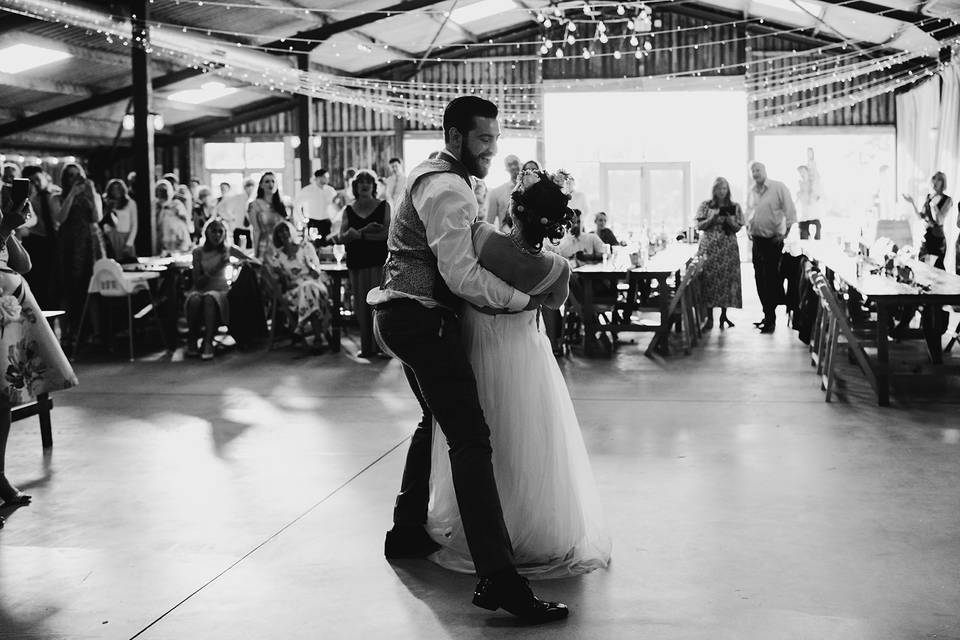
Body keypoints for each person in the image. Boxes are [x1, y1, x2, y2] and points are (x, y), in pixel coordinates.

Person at [368, 96, 568, 623]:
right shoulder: (446, 188)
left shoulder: (444, 178)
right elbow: (462, 277)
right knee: (471, 438)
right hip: (420, 321)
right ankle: (500, 580)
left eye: (495, 139)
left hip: (401, 315)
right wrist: (525, 301)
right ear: (455, 137)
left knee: (434, 417)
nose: (492, 149)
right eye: (484, 139)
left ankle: (407, 529)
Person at [426, 167, 611, 579]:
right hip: (527, 355)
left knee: (482, 438)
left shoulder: (481, 238)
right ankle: (533, 532)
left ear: (514, 207)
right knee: (528, 439)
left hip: (478, 350)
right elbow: (553, 305)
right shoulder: (558, 268)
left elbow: (459, 279)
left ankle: (486, 532)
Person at [0, 190, 77, 528]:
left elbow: (24, 265)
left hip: (11, 312)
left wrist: (9, 228)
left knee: (2, 400)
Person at [184, 218, 254, 360]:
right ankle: (192, 339)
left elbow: (250, 260)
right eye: (213, 231)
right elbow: (197, 282)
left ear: (224, 234)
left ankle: (208, 342)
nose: (217, 235)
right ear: (207, 233)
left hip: (220, 291)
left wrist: (242, 265)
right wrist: (218, 267)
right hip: (201, 288)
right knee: (194, 299)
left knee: (210, 298)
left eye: (220, 231)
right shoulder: (198, 252)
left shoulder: (228, 250)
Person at [339, 169, 389, 358]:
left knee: (379, 305)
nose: (365, 184)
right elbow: (341, 237)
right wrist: (366, 232)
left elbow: (386, 234)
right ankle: (366, 347)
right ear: (355, 186)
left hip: (378, 260)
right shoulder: (349, 209)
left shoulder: (384, 206)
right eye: (360, 181)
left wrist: (359, 234)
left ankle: (383, 347)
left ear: (374, 186)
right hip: (356, 261)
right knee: (361, 305)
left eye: (368, 181)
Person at [265, 221, 333, 353]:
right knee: (307, 291)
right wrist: (280, 276)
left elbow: (317, 273)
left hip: (315, 285)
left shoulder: (306, 247)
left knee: (308, 288)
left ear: (291, 230)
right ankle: (318, 337)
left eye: (286, 230)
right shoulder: (278, 257)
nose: (284, 233)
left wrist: (308, 264)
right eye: (280, 232)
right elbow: (285, 284)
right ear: (277, 236)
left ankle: (300, 325)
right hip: (295, 292)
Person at [55, 163, 103, 346]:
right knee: (68, 288)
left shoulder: (92, 195)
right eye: (70, 175)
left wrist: (90, 192)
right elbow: (60, 218)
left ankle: (95, 332)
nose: (74, 178)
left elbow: (97, 217)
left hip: (88, 244)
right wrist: (72, 194)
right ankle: (68, 333)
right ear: (65, 179)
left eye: (77, 175)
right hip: (68, 245)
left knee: (90, 287)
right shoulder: (59, 197)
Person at [746, 161, 796, 334]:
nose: (755, 173)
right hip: (757, 241)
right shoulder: (752, 191)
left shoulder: (778, 187)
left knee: (771, 281)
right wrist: (748, 227)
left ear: (765, 170)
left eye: (758, 170)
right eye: (753, 171)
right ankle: (767, 316)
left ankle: (771, 319)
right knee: (759, 279)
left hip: (773, 241)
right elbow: (750, 213)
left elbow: (790, 212)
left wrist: (784, 235)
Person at [695, 177, 744, 330]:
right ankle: (709, 317)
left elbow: (738, 227)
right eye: (719, 189)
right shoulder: (705, 205)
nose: (722, 192)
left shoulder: (735, 206)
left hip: (728, 248)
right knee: (708, 280)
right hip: (709, 247)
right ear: (714, 190)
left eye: (724, 189)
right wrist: (712, 217)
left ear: (728, 190)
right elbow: (699, 226)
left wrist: (729, 220)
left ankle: (724, 315)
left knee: (727, 280)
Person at [19, 166, 60, 309]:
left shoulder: (57, 193)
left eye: (37, 179)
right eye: (31, 181)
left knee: (58, 282)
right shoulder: (27, 197)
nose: (36, 183)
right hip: (37, 242)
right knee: (40, 281)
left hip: (58, 241)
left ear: (44, 176)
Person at [903, 172, 953, 270]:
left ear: (943, 182)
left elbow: (939, 220)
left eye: (939, 179)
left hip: (938, 240)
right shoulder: (929, 197)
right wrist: (912, 202)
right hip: (926, 238)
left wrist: (933, 205)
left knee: (937, 270)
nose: (935, 181)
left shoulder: (947, 200)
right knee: (922, 268)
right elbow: (920, 216)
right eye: (934, 178)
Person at [248, 172, 287, 259]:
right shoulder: (255, 205)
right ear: (261, 185)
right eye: (267, 181)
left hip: (282, 246)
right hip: (265, 246)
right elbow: (256, 230)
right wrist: (256, 254)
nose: (271, 184)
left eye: (273, 181)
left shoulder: (281, 205)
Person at [295, 169, 338, 242]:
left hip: (327, 222)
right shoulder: (307, 190)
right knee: (313, 244)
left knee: (327, 244)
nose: (327, 179)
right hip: (313, 222)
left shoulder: (330, 190)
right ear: (318, 178)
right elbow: (297, 204)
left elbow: (336, 206)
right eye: (325, 177)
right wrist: (301, 219)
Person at [101, 178, 138, 261]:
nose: (116, 191)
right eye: (113, 189)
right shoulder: (106, 202)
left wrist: (129, 244)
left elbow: (134, 224)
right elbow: (102, 220)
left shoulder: (130, 203)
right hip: (111, 238)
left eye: (118, 188)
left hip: (126, 238)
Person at [215, 177, 256, 246]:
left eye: (252, 185)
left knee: (250, 251)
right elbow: (221, 208)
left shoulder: (255, 199)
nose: (250, 188)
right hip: (238, 228)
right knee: (238, 251)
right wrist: (231, 219)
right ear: (244, 187)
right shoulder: (237, 197)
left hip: (251, 230)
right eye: (248, 185)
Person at [157, 180, 192, 255]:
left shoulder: (176, 204)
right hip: (165, 236)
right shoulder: (157, 206)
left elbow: (185, 218)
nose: (162, 193)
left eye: (164, 191)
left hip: (178, 235)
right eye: (160, 191)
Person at [486, 154, 520, 227]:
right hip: (505, 236)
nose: (513, 167)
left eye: (515, 163)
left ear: (521, 164)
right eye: (509, 164)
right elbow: (489, 223)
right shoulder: (496, 192)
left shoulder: (530, 190)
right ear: (506, 169)